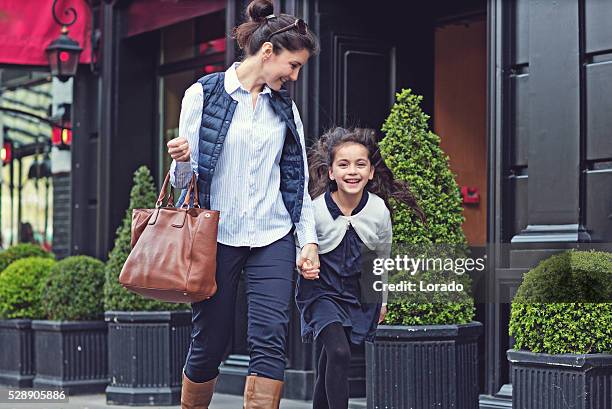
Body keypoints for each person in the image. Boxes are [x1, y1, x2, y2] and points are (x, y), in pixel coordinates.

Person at [166, 1, 320, 408]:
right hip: (217, 236)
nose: (294, 75)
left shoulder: (285, 108)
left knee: (270, 338)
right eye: (293, 65)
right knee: (210, 342)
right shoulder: (204, 94)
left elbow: (297, 179)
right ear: (267, 52)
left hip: (273, 235)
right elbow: (187, 183)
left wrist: (307, 241)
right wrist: (180, 161)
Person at [296, 127, 425, 409]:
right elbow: (300, 248)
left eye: (360, 164)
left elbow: (383, 257)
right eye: (343, 164)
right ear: (330, 172)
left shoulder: (378, 210)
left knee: (331, 359)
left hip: (356, 293)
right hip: (320, 293)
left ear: (370, 173)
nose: (351, 171)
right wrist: (304, 264)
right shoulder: (315, 211)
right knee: (340, 353)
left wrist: (383, 300)